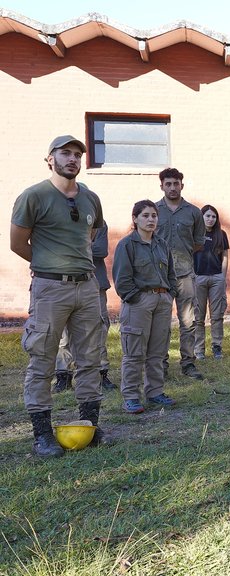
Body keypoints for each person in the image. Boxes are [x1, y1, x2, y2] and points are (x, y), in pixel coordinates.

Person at [10, 135, 107, 457]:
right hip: (50, 289)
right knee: (43, 358)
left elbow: (89, 236)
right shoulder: (33, 196)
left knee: (90, 358)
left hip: (87, 287)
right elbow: (17, 243)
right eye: (65, 153)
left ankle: (89, 426)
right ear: (50, 159)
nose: (73, 159)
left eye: (77, 154)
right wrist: (49, 266)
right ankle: (42, 434)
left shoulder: (90, 198)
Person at [113, 200, 179, 414]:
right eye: (145, 215)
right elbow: (122, 279)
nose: (151, 219)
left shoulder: (161, 244)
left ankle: (155, 392)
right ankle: (131, 396)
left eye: (154, 215)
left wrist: (170, 294)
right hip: (139, 302)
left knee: (157, 352)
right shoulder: (127, 245)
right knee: (134, 352)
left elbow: (171, 273)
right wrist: (136, 298)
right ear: (135, 219)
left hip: (162, 300)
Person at [53, 224, 115, 393]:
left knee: (98, 330)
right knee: (62, 333)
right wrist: (85, 245)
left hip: (95, 283)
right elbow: (52, 248)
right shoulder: (57, 219)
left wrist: (69, 246)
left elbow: (101, 250)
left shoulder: (98, 222)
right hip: (62, 283)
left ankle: (101, 373)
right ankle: (63, 375)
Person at [155, 167, 204, 380]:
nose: (172, 187)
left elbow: (198, 243)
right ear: (162, 186)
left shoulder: (193, 212)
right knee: (161, 323)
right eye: (168, 184)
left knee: (188, 321)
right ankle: (160, 365)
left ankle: (188, 363)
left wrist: (182, 256)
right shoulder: (154, 210)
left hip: (185, 274)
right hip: (160, 276)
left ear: (182, 185)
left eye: (176, 183)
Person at [193, 205, 229, 360]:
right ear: (201, 217)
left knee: (217, 315)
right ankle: (199, 349)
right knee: (198, 317)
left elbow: (225, 256)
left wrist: (222, 276)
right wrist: (192, 275)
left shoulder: (221, 234)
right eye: (207, 216)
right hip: (198, 278)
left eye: (213, 216)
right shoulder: (194, 233)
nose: (210, 219)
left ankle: (217, 347)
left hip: (216, 278)